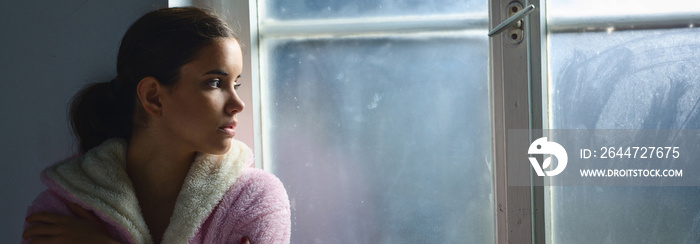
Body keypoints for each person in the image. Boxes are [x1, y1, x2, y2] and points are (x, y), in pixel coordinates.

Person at [21, 7, 290, 244]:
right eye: (215, 83)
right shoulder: (61, 211)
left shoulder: (255, 201)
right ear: (153, 96)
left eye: (236, 84)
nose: (237, 104)